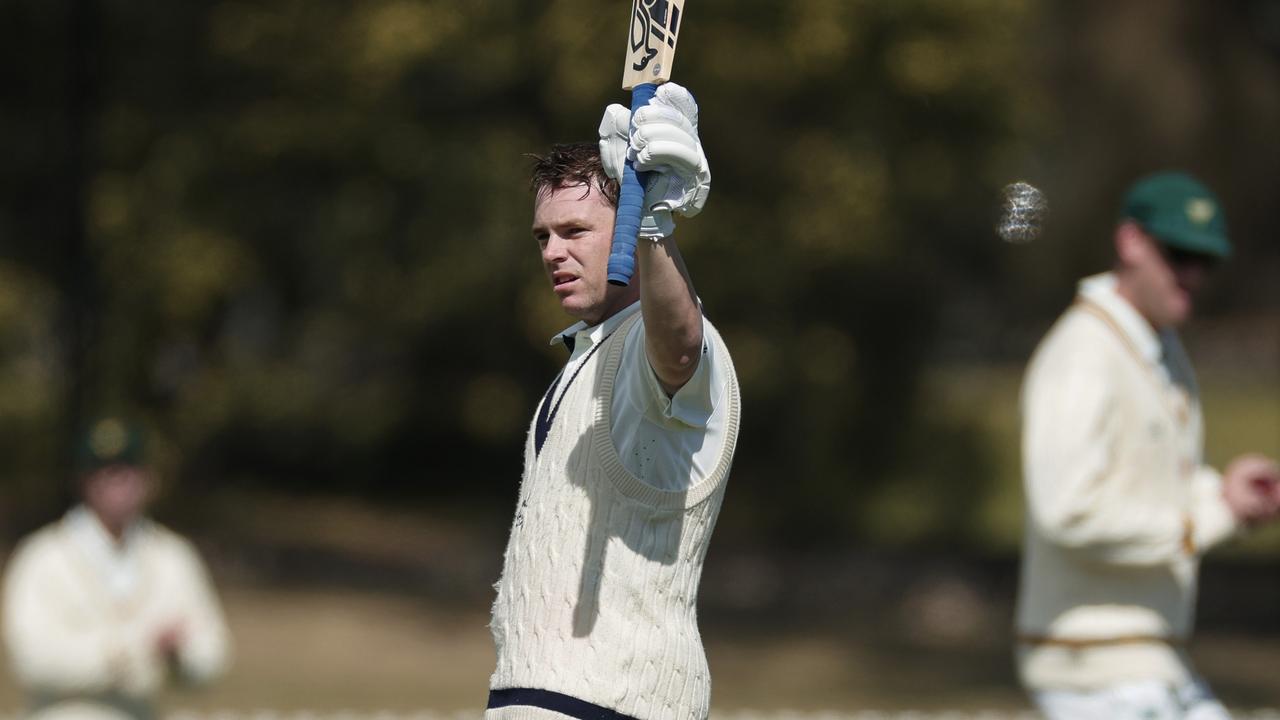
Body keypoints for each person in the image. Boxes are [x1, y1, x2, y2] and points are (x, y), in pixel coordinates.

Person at [485, 83, 740, 720]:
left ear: (622, 227)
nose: (552, 252)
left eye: (575, 231)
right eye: (542, 235)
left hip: (609, 703)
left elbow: (679, 348)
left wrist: (653, 223)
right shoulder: (585, 353)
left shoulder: (654, 348)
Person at [1014, 172, 1280, 719]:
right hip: (1092, 668)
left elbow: (1151, 481)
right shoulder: (1084, 354)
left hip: (1150, 660)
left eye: (1205, 261)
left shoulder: (1155, 347)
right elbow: (1067, 509)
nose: (1192, 275)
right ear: (1131, 241)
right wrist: (1203, 520)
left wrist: (1226, 494)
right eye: (1179, 254)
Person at [2, 416, 231, 720]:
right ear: (83, 480)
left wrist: (179, 655)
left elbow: (212, 652)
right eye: (105, 472)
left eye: (128, 470)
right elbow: (32, 660)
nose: (118, 482)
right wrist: (131, 649)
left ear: (149, 478)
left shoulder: (173, 557)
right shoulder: (42, 557)